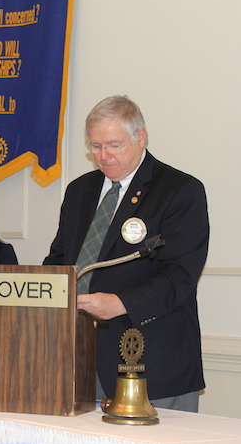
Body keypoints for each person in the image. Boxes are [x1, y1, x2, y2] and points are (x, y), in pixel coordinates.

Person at [43, 95, 209, 412]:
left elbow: (180, 275)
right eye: (95, 146)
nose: (103, 156)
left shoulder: (179, 190)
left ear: (140, 137)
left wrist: (119, 303)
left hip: (152, 362)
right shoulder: (79, 191)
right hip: (78, 360)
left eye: (114, 145)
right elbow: (59, 260)